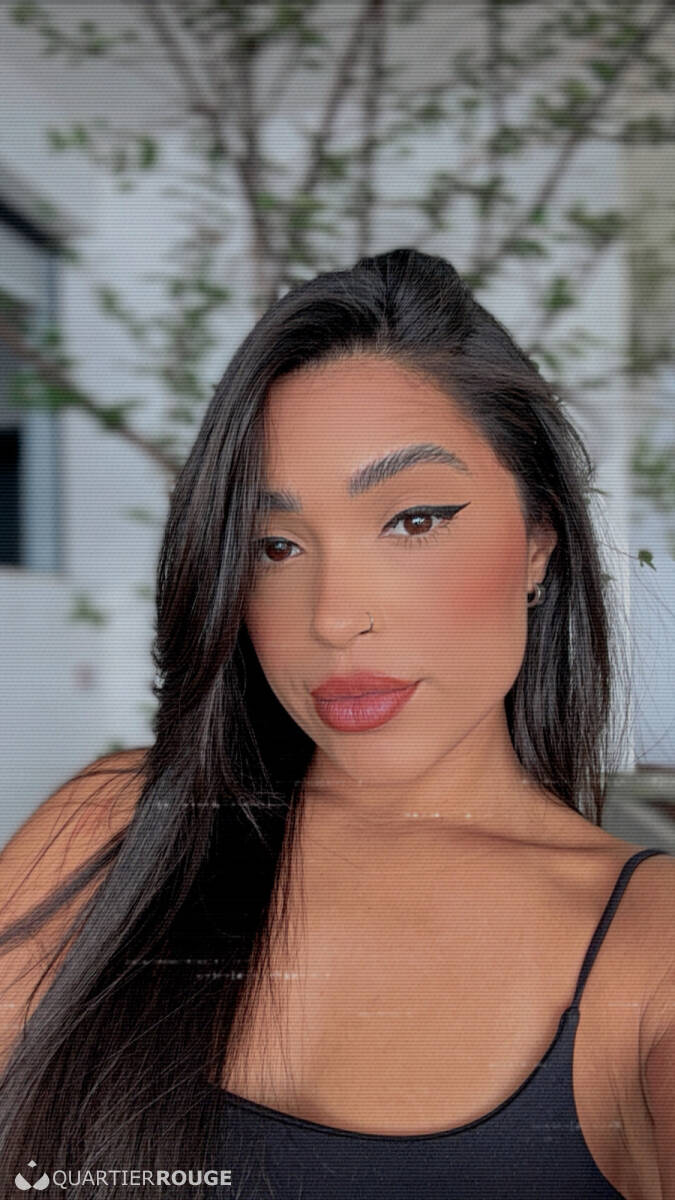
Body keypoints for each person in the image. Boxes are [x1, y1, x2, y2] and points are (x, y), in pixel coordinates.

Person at [0, 248, 673, 1200]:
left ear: (538, 536)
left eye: (412, 521)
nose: (332, 617)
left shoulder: (649, 950)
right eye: (275, 546)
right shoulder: (111, 830)